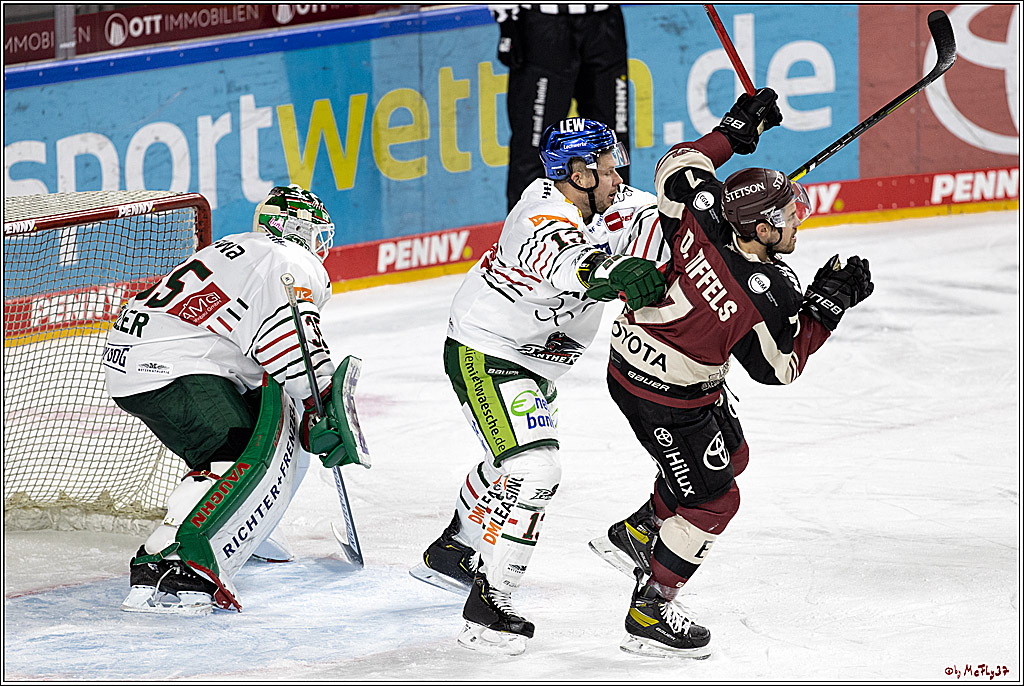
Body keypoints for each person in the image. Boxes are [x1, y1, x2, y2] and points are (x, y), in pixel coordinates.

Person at [589, 88, 874, 658]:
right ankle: (651, 609)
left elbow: (678, 164)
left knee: (733, 456)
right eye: (788, 217)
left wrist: (735, 133)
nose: (798, 222)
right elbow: (777, 367)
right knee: (716, 502)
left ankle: (639, 533)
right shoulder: (770, 292)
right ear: (763, 228)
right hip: (668, 399)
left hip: (633, 361)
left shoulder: (700, 205)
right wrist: (825, 309)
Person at [410, 117, 667, 655]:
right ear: (578, 171)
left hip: (537, 363)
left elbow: (674, 214)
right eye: (606, 161)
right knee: (533, 468)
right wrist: (614, 273)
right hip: (489, 349)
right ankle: (489, 603)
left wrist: (731, 160)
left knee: (510, 461)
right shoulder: (538, 212)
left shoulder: (617, 203)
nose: (618, 170)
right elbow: (568, 261)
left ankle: (453, 552)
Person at [102, 184, 365, 615]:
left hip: (146, 358)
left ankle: (241, 526)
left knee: (256, 430)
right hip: (172, 364)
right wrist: (321, 406)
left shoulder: (241, 247)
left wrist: (310, 406)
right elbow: (292, 341)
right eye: (315, 233)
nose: (320, 245)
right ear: (293, 228)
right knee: (236, 450)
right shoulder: (290, 259)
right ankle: (166, 561)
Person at [491, 3, 630, 212]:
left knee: (612, 144)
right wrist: (506, 18)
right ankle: (527, 238)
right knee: (533, 146)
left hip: (605, 22)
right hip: (544, 24)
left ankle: (620, 232)